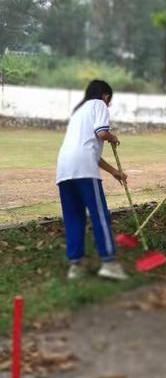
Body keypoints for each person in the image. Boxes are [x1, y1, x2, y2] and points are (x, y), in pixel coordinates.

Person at [56, 80, 128, 280]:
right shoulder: (99, 104)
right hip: (84, 169)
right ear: (105, 95)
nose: (109, 104)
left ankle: (75, 265)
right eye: (109, 100)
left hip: (64, 169)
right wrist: (112, 137)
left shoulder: (78, 112)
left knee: (74, 216)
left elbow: (91, 151)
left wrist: (114, 172)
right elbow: (101, 133)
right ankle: (109, 262)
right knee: (99, 215)